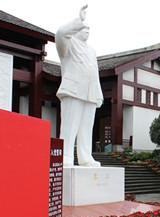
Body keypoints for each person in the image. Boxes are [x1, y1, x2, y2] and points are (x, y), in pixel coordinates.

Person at [56, 5, 104, 167]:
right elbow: (61, 33)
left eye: (88, 29)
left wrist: (98, 94)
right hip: (73, 90)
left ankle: (85, 156)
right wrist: (79, 20)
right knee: (70, 125)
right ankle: (66, 156)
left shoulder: (92, 51)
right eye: (83, 28)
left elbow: (94, 72)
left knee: (86, 127)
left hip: (90, 91)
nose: (86, 31)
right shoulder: (68, 45)